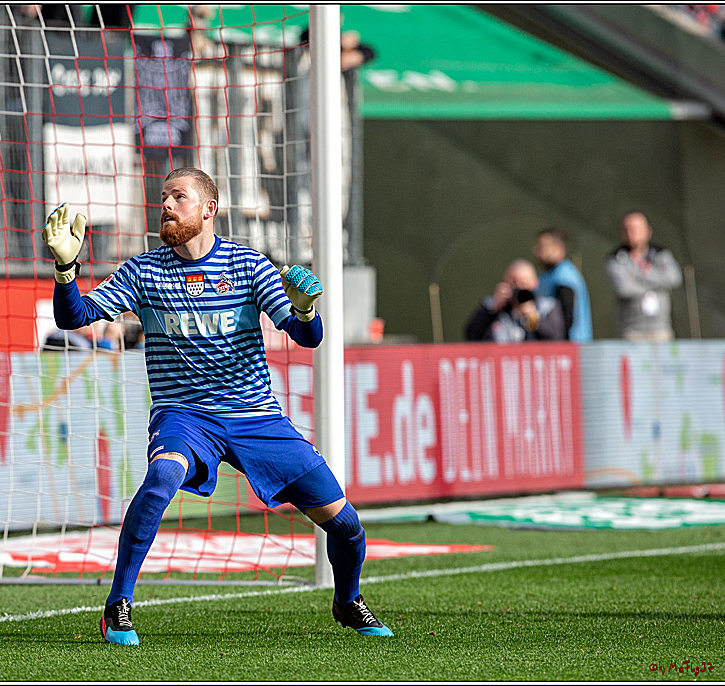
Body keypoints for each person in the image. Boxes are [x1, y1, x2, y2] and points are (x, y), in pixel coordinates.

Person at [44, 169, 393, 645]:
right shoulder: (143, 270)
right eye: (163, 197)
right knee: (162, 478)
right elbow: (73, 317)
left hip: (254, 415)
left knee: (346, 524)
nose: (166, 204)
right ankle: (117, 605)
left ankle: (347, 600)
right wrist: (67, 271)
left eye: (178, 197)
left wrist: (307, 310)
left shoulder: (250, 266)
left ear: (208, 209)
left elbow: (309, 338)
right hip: (183, 414)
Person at [605, 211, 683, 341]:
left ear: (648, 231)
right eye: (627, 230)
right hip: (631, 331)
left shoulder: (660, 254)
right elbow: (624, 289)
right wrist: (659, 284)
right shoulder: (616, 258)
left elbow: (674, 278)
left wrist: (642, 275)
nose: (632, 234)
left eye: (637, 229)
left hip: (661, 330)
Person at [464, 259, 567, 342]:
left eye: (525, 282)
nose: (520, 288)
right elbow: (471, 335)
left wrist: (535, 320)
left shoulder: (547, 307)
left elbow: (557, 339)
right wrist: (493, 309)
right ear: (505, 282)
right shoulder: (491, 306)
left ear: (535, 283)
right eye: (514, 282)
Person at [532, 228, 593, 343]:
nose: (536, 251)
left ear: (558, 248)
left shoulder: (564, 275)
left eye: (541, 247)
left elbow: (566, 316)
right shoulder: (544, 275)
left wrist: (563, 347)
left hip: (571, 347)